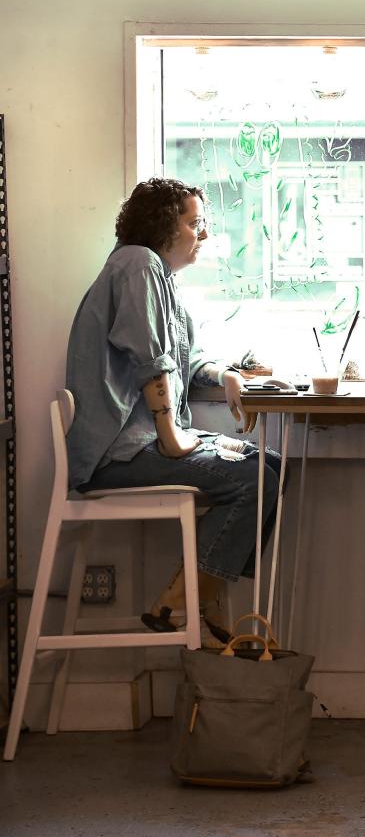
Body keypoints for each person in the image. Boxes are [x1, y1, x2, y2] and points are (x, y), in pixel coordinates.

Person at [67, 177, 281, 646]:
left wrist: (226, 374)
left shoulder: (160, 279)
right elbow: (152, 362)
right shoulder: (137, 263)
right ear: (165, 224)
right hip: (119, 451)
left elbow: (184, 357)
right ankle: (184, 599)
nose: (202, 235)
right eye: (194, 223)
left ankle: (190, 594)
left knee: (269, 464)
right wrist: (172, 436)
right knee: (252, 477)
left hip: (138, 444)